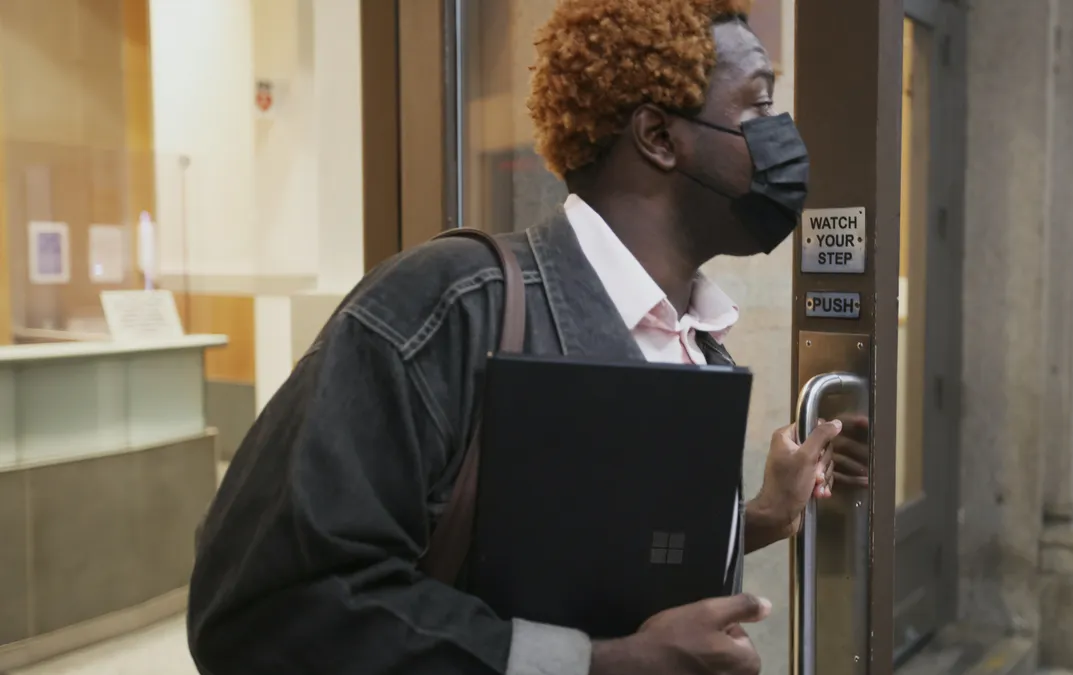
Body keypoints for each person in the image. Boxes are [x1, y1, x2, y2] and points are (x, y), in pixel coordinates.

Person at [187, 0, 869, 673]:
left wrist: (763, 517)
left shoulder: (694, 343)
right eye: (758, 103)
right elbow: (267, 604)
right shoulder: (452, 304)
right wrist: (600, 663)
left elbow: (596, 569)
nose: (781, 134)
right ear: (659, 137)